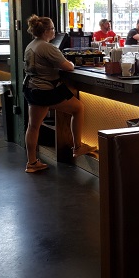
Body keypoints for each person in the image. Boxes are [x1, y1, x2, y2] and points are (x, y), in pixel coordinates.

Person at [23, 15, 97, 173]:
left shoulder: (31, 45)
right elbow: (68, 67)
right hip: (45, 90)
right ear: (46, 31)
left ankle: (32, 162)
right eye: (52, 29)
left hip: (31, 87)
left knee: (33, 126)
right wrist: (71, 63)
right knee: (78, 108)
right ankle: (77, 147)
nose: (54, 32)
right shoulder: (47, 47)